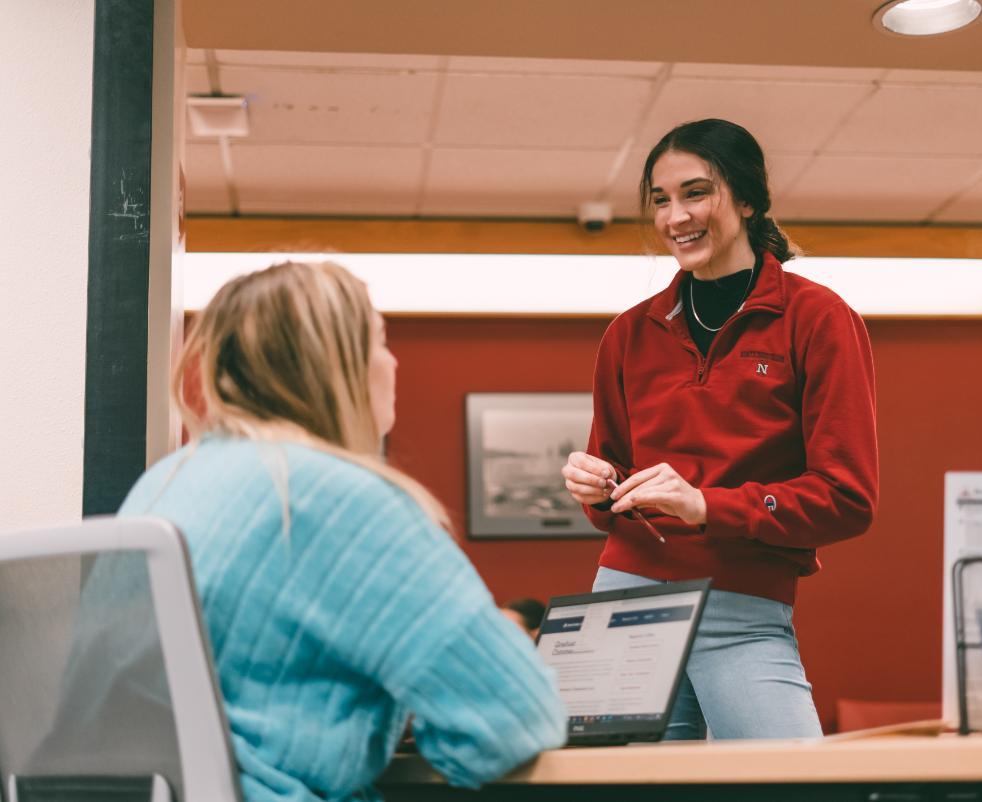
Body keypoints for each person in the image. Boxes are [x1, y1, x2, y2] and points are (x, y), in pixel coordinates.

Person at [117, 261, 566, 800]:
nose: (394, 361)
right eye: (381, 340)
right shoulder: (339, 498)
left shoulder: (164, 483)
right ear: (338, 365)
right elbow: (516, 718)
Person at [561, 119, 879, 740]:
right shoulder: (628, 333)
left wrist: (707, 506)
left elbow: (848, 498)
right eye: (661, 199)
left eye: (696, 193)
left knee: (797, 791)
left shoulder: (818, 319)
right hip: (625, 604)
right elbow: (616, 498)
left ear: (749, 199)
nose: (675, 216)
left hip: (742, 607)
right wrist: (599, 487)